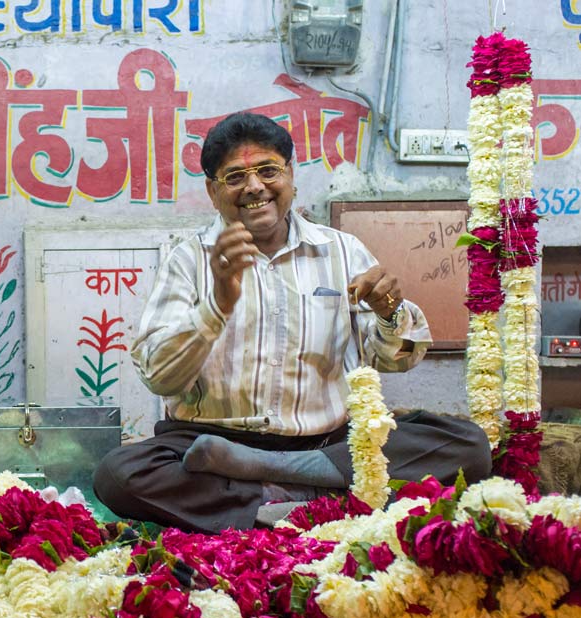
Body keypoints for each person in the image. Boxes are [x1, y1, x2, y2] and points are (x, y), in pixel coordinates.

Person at [93, 112, 491, 533]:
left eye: (268, 170)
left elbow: (395, 360)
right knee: (118, 474)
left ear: (291, 175)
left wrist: (390, 311)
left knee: (467, 445)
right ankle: (316, 498)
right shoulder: (188, 260)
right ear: (213, 192)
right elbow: (160, 377)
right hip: (209, 442)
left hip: (325, 443)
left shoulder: (341, 250)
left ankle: (267, 489)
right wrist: (215, 307)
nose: (254, 187)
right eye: (235, 177)